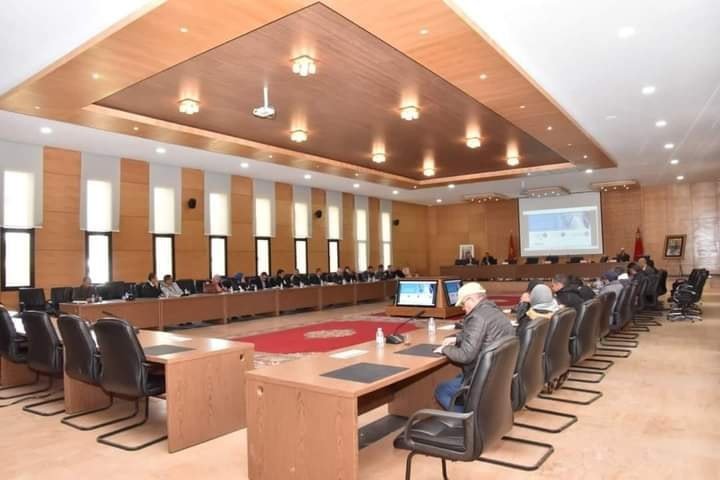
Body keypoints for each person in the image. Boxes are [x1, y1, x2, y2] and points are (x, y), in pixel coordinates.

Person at [434, 282, 514, 411]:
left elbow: (465, 355)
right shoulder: (494, 310)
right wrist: (457, 338)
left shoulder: (477, 316)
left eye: (463, 304)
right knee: (457, 377)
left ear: (470, 299)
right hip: (498, 375)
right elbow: (484, 333)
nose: (462, 308)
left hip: (483, 378)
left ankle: (467, 418)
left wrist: (444, 349)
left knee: (442, 389)